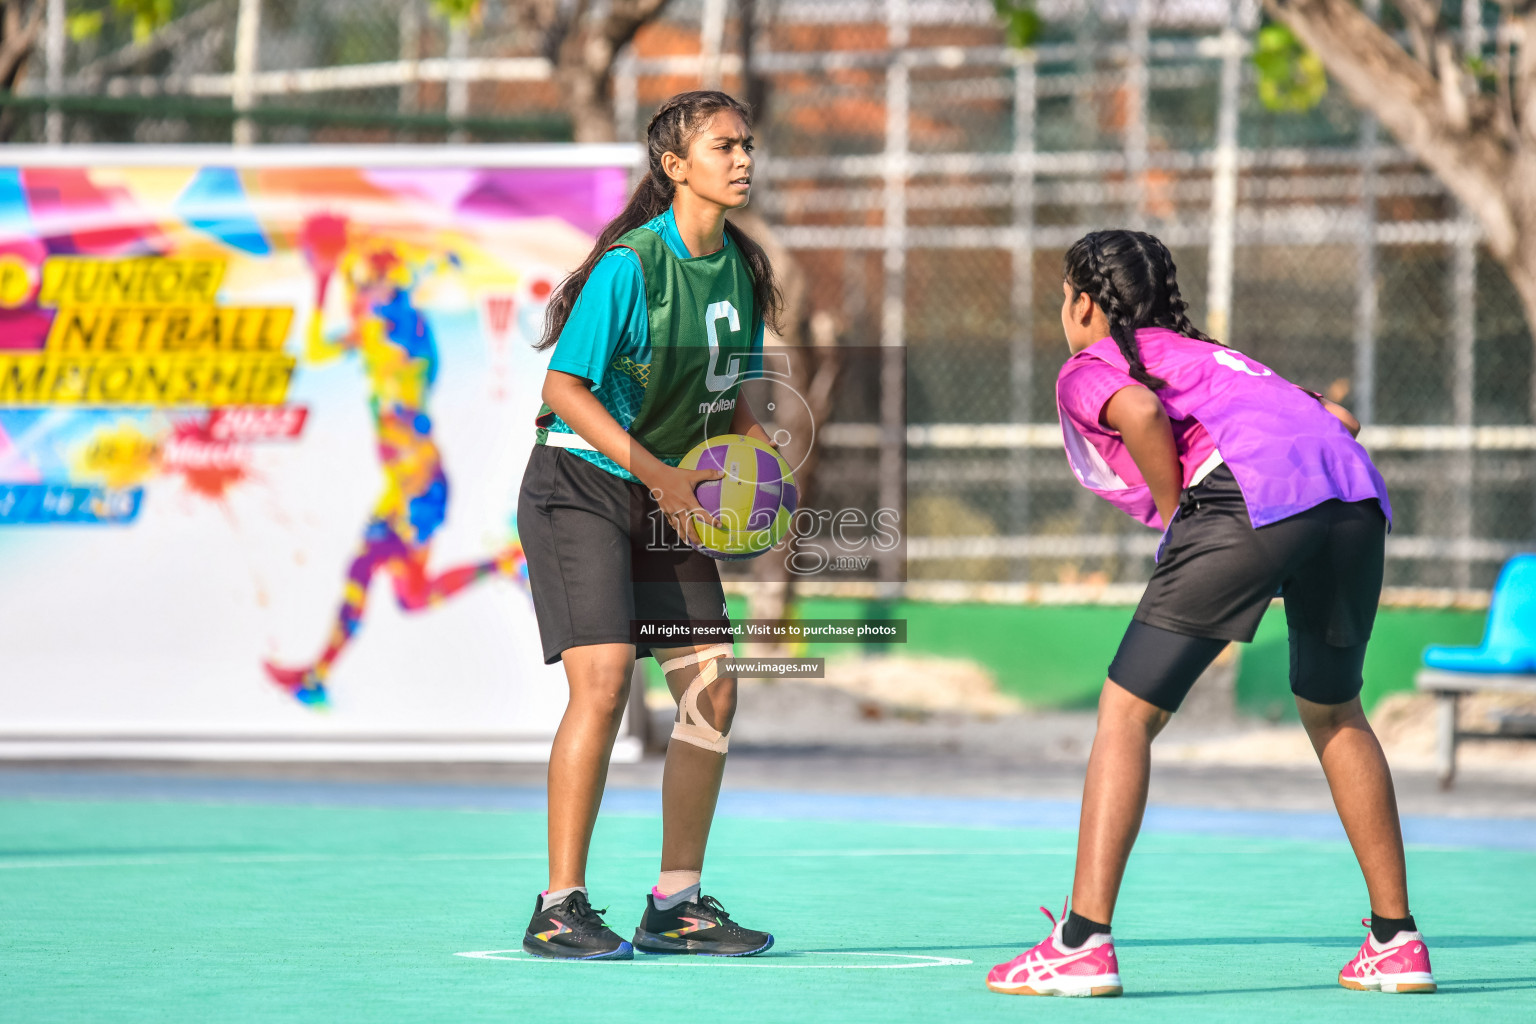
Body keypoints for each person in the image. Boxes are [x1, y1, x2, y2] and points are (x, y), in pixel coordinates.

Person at [987, 230, 1435, 997]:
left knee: (1127, 712)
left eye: (1064, 295)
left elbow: (1137, 412)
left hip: (1247, 500)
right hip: (1354, 498)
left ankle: (1082, 942)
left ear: (1085, 302)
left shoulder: (1093, 364)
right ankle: (1396, 942)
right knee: (1334, 710)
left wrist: (1176, 516)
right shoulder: (1218, 358)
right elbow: (1341, 420)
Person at [515, 90, 781, 960]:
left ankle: (677, 904)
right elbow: (562, 388)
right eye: (724, 146)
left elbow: (739, 393)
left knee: (712, 688)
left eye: (747, 145)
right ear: (675, 166)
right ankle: (559, 904)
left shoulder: (738, 267)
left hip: (665, 493)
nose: (743, 159)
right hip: (582, 486)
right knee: (600, 686)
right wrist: (664, 477)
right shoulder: (633, 266)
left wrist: (750, 466)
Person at [265, 223, 523, 707]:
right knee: (410, 594)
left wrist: (332, 279)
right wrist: (338, 279)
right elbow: (332, 341)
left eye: (369, 284)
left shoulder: (392, 336)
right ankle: (507, 561)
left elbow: (331, 343)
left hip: (416, 486)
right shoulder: (393, 329)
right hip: (409, 485)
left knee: (370, 569)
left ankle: (317, 676)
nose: (360, 292)